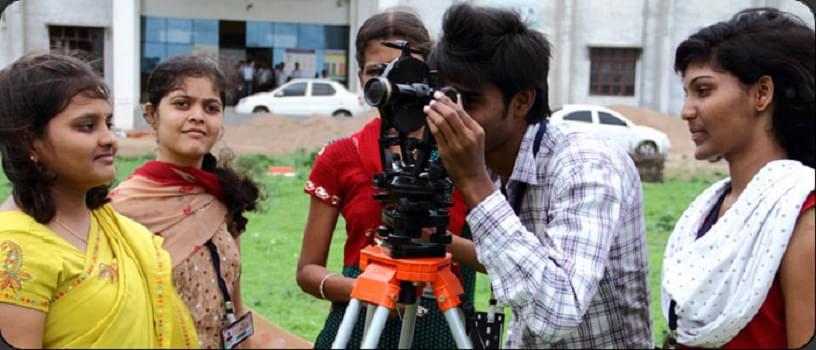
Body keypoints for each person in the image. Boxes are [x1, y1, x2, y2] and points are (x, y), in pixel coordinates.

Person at [424, 3, 652, 348]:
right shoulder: (494, 162)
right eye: (443, 98)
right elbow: (517, 260)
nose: (452, 117)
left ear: (522, 101)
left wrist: (475, 185)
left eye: (467, 101)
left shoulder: (585, 163)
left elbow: (556, 313)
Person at [296, 9, 483, 349]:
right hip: (358, 326)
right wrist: (367, 290)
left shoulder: (465, 152)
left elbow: (499, 260)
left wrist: (438, 239)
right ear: (361, 80)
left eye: (404, 71)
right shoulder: (340, 155)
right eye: (378, 73)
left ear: (430, 77)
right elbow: (308, 270)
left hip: (442, 328)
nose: (394, 86)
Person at [0, 53, 199, 348]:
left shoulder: (117, 229)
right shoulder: (13, 249)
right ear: (31, 142)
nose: (110, 139)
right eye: (86, 126)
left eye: (107, 123)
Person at [660, 8, 815, 349]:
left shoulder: (803, 213)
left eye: (703, 90)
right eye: (686, 93)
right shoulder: (707, 209)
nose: (686, 110)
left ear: (761, 94)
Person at [110, 54, 261, 349]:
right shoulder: (122, 208)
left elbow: (235, 303)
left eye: (211, 107)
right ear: (152, 115)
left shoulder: (223, 195)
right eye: (182, 104)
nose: (198, 116)